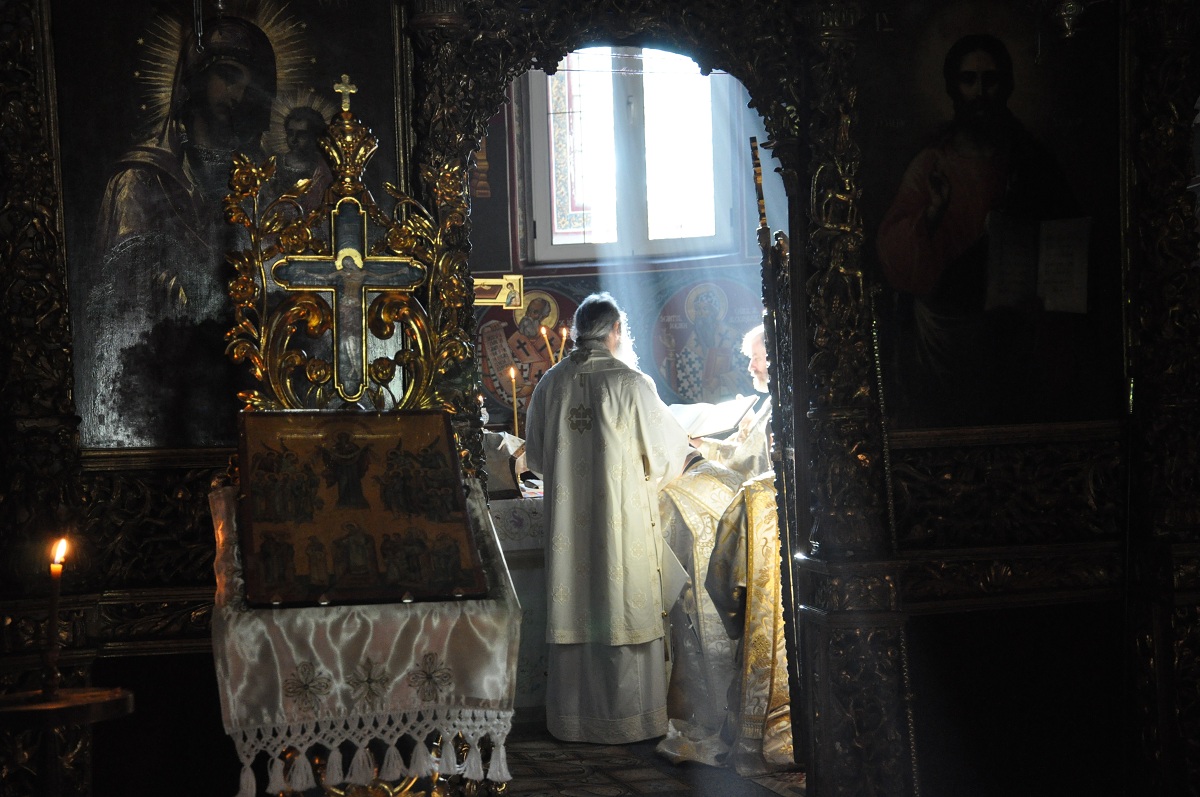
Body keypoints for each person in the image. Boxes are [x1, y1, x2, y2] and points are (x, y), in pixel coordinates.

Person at [80, 15, 277, 447]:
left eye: (246, 83)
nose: (238, 94)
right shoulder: (142, 179)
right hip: (160, 381)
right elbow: (119, 295)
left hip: (247, 380)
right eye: (227, 77)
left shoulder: (263, 184)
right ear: (196, 80)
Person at [875, 33, 1079, 425]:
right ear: (954, 86)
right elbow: (894, 254)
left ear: (1008, 85)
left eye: (991, 79)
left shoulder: (1030, 161)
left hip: (1016, 337)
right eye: (969, 80)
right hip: (942, 335)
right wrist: (933, 212)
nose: (980, 91)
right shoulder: (931, 164)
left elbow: (1066, 243)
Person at [524, 292, 695, 744]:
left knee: (575, 603)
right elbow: (665, 458)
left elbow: (537, 460)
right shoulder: (632, 383)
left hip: (568, 527)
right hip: (622, 523)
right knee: (622, 603)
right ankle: (630, 723)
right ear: (615, 331)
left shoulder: (550, 383)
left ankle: (573, 721)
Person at [705, 472, 793, 776]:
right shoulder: (842, 482)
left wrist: (737, 622)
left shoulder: (755, 496)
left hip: (768, 637)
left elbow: (721, 575)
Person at [692, 324, 773, 480]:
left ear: (772, 358)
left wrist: (703, 445)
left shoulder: (775, 404)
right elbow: (750, 451)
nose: (751, 367)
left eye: (755, 358)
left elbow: (746, 462)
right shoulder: (772, 401)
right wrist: (748, 424)